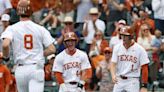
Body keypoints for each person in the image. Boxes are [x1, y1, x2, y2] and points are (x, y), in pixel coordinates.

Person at [1, 0, 56, 92]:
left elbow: (5, 44)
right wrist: (39, 54)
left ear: (18, 12)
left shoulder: (12, 28)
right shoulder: (40, 28)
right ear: (31, 12)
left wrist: (6, 57)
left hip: (20, 69)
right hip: (35, 68)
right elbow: (52, 49)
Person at [110, 26, 150, 92]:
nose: (123, 38)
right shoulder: (117, 47)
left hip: (132, 80)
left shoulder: (140, 49)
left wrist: (144, 86)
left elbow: (145, 67)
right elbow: (113, 63)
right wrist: (113, 75)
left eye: (125, 36)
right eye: (122, 35)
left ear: (131, 36)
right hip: (119, 79)